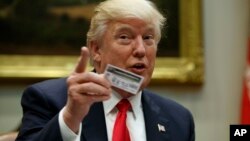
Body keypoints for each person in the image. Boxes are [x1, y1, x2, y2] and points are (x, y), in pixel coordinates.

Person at [16, 0, 195, 141]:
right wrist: (71, 117)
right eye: (125, 37)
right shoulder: (48, 100)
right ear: (96, 50)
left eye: (148, 38)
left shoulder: (178, 119)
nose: (141, 49)